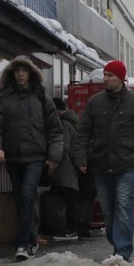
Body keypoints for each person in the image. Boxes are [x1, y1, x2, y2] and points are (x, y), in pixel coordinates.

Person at [73, 60, 134, 262]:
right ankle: (116, 243)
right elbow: (83, 132)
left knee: (123, 207)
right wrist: (81, 156)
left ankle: (123, 251)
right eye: (105, 75)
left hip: (126, 165)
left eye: (110, 75)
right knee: (108, 212)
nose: (106, 79)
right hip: (101, 164)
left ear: (121, 78)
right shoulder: (95, 102)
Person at [0, 55, 63, 261]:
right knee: (21, 199)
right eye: (17, 70)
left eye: (24, 70)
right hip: (12, 157)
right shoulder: (5, 99)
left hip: (36, 156)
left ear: (31, 73)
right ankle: (31, 239)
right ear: (12, 73)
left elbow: (55, 130)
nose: (20, 74)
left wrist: (54, 156)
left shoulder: (42, 98)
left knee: (28, 195)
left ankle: (21, 244)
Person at [49, 97, 81, 241]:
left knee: (66, 199)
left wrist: (53, 160)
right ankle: (71, 228)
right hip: (71, 167)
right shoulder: (72, 122)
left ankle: (70, 229)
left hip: (64, 168)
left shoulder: (63, 124)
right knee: (70, 198)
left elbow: (63, 146)